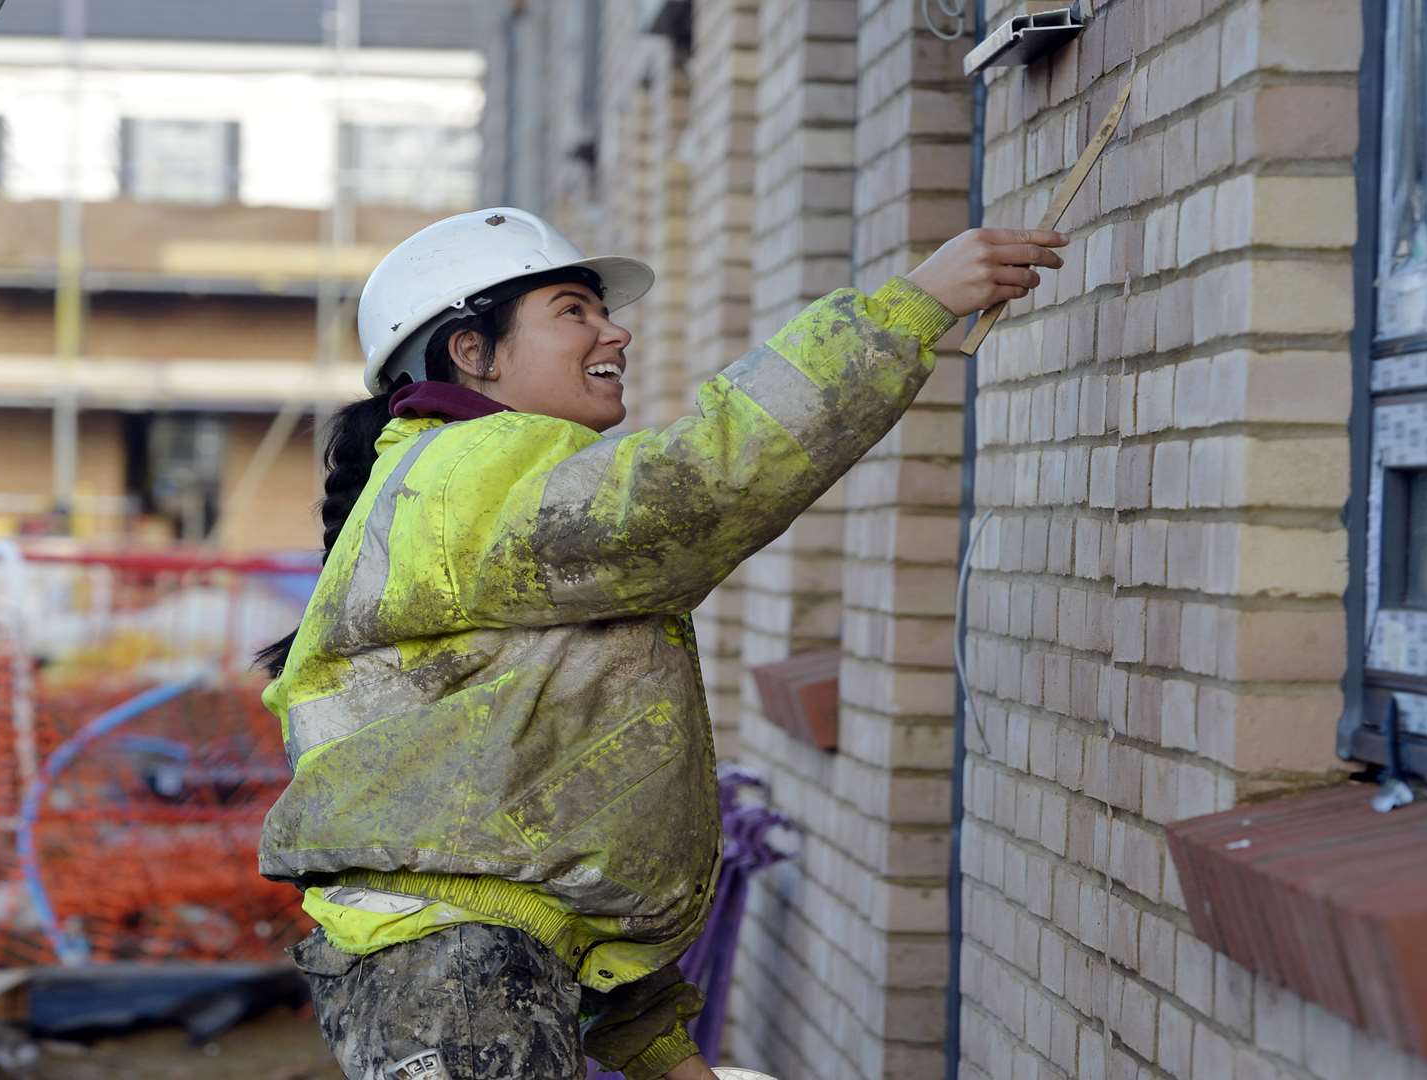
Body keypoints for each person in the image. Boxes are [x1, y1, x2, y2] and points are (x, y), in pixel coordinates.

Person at [256, 207, 1066, 1080]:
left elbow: (531, 823)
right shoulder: (464, 473)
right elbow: (696, 489)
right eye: (573, 310)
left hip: (467, 964)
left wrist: (656, 1044)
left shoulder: (470, 485)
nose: (617, 331)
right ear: (470, 351)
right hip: (459, 972)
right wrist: (909, 308)